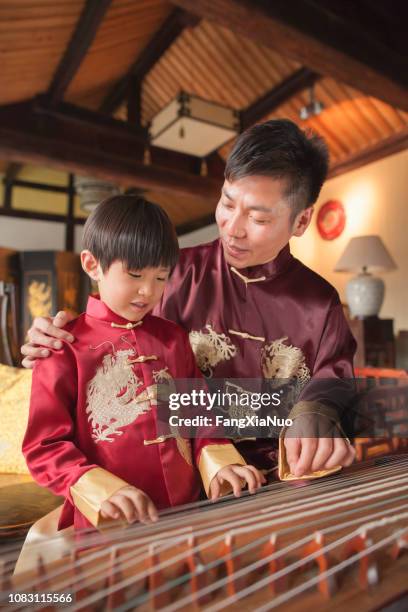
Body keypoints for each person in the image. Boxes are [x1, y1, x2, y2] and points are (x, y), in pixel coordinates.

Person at [21, 119, 356, 480]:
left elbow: (335, 379)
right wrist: (63, 338)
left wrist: (316, 409)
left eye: (257, 217)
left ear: (301, 221)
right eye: (227, 204)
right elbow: (112, 335)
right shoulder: (174, 275)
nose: (232, 227)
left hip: (282, 480)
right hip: (185, 481)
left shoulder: (320, 304)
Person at [22, 196, 264, 533]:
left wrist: (220, 466)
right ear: (92, 265)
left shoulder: (173, 339)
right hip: (108, 524)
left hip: (186, 511)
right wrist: (101, 490)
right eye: (134, 274)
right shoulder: (63, 345)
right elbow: (45, 447)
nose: (148, 292)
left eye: (161, 277)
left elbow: (200, 418)